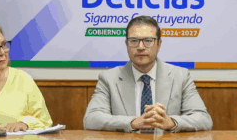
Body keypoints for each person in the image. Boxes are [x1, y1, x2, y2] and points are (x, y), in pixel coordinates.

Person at [83, 15, 212, 132]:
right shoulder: (109, 78)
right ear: (127, 44)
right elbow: (91, 119)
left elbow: (204, 119)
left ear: (158, 45)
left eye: (148, 41)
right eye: (134, 41)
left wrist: (171, 122)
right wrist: (132, 123)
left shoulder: (180, 76)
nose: (140, 47)